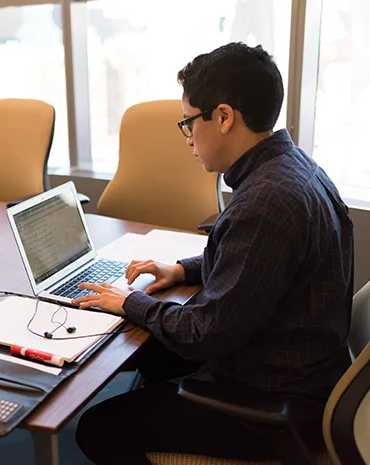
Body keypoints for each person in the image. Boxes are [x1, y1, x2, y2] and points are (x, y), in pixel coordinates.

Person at [73, 42, 354, 464]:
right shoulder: (293, 169)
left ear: (223, 117)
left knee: (97, 428)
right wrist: (183, 270)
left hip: (271, 405)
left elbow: (205, 333)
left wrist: (132, 303)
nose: (187, 138)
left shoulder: (265, 202)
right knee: (148, 352)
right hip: (302, 367)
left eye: (188, 123)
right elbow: (262, 263)